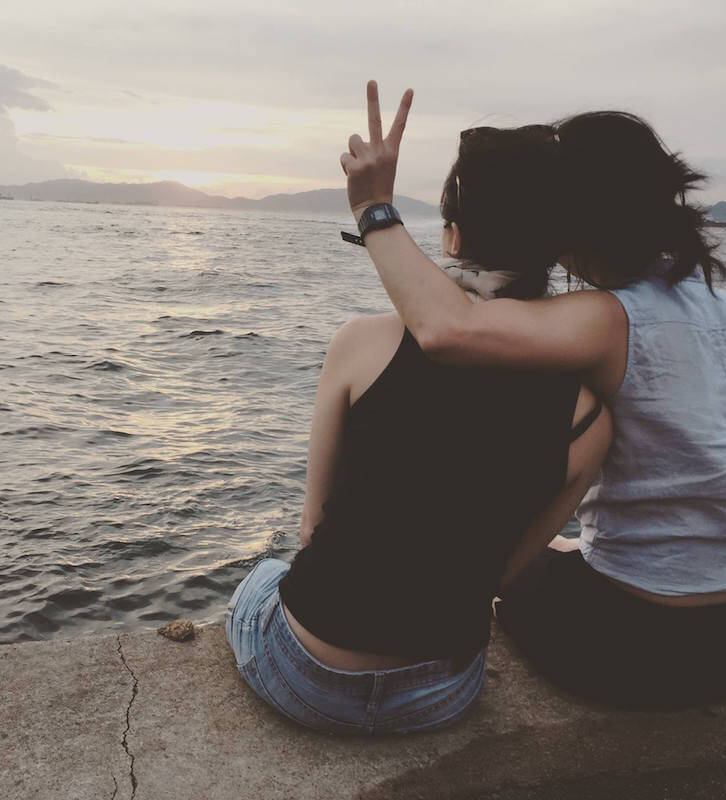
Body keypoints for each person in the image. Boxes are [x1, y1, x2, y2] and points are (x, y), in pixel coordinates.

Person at [344, 82, 726, 708]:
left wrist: (373, 208)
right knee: (559, 546)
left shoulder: (607, 318)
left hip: (638, 640)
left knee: (499, 571)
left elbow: (447, 329)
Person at [224, 93, 611, 733]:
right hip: (440, 692)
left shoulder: (360, 343)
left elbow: (312, 531)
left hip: (307, 676)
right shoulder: (590, 414)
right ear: (557, 248)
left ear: (453, 236)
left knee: (262, 577)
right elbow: (498, 573)